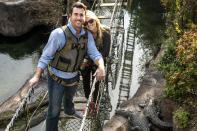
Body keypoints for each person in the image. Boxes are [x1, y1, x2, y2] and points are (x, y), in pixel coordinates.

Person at [28, 2, 105, 131]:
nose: (78, 18)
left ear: (84, 17)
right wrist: (36, 76)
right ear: (70, 15)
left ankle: (70, 111)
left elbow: (95, 53)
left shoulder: (88, 36)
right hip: (56, 79)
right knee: (54, 110)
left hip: (74, 78)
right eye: (76, 14)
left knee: (69, 98)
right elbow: (45, 57)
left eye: (81, 15)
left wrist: (101, 67)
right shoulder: (58, 34)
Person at [81, 10, 111, 104]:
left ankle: (95, 101)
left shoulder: (105, 32)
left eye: (91, 21)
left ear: (95, 20)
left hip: (98, 62)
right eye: (86, 23)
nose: (89, 24)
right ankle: (88, 99)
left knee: (96, 83)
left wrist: (95, 59)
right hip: (87, 61)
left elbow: (105, 52)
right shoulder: (84, 33)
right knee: (85, 81)